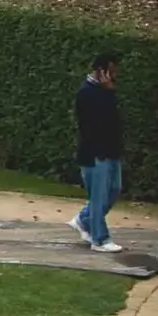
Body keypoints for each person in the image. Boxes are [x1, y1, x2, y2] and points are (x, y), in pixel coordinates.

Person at [70, 52, 125, 254]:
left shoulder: (106, 92)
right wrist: (107, 93)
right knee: (98, 196)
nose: (114, 75)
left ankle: (84, 220)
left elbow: (113, 120)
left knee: (114, 189)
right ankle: (99, 239)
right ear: (101, 71)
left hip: (110, 150)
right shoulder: (86, 93)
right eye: (110, 71)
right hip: (95, 153)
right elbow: (93, 123)